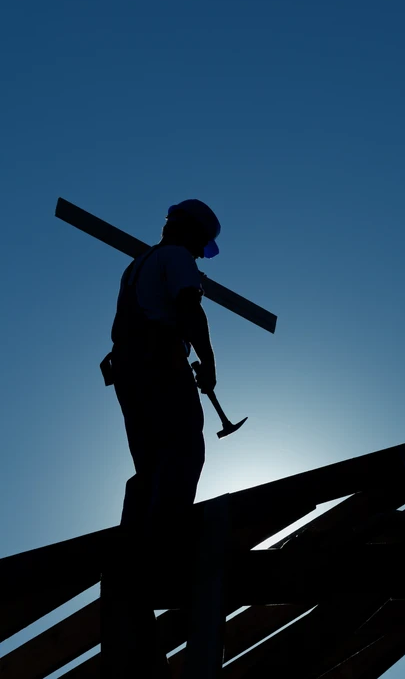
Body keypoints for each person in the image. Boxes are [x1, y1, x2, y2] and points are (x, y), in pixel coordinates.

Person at [100, 198, 221, 678]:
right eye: (201, 244)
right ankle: (164, 553)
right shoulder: (176, 259)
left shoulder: (138, 265)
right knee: (185, 450)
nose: (199, 252)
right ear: (192, 235)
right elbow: (189, 306)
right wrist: (207, 361)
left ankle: (136, 552)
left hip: (129, 374)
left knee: (150, 466)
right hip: (158, 366)